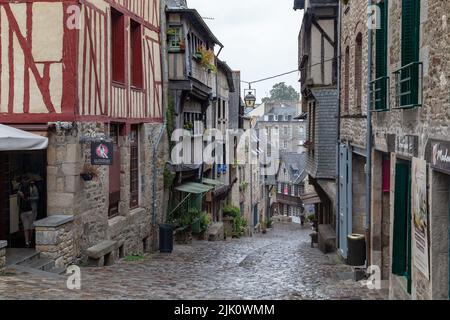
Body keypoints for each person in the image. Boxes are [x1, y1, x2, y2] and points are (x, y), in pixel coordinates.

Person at [18, 177, 39, 248]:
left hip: (31, 210)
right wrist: (20, 195)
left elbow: (37, 197)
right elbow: (18, 200)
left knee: (31, 227)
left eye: (26, 180)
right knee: (25, 227)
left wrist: (29, 198)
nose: (24, 181)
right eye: (23, 180)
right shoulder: (20, 188)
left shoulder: (33, 187)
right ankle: (26, 242)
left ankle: (30, 240)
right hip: (23, 210)